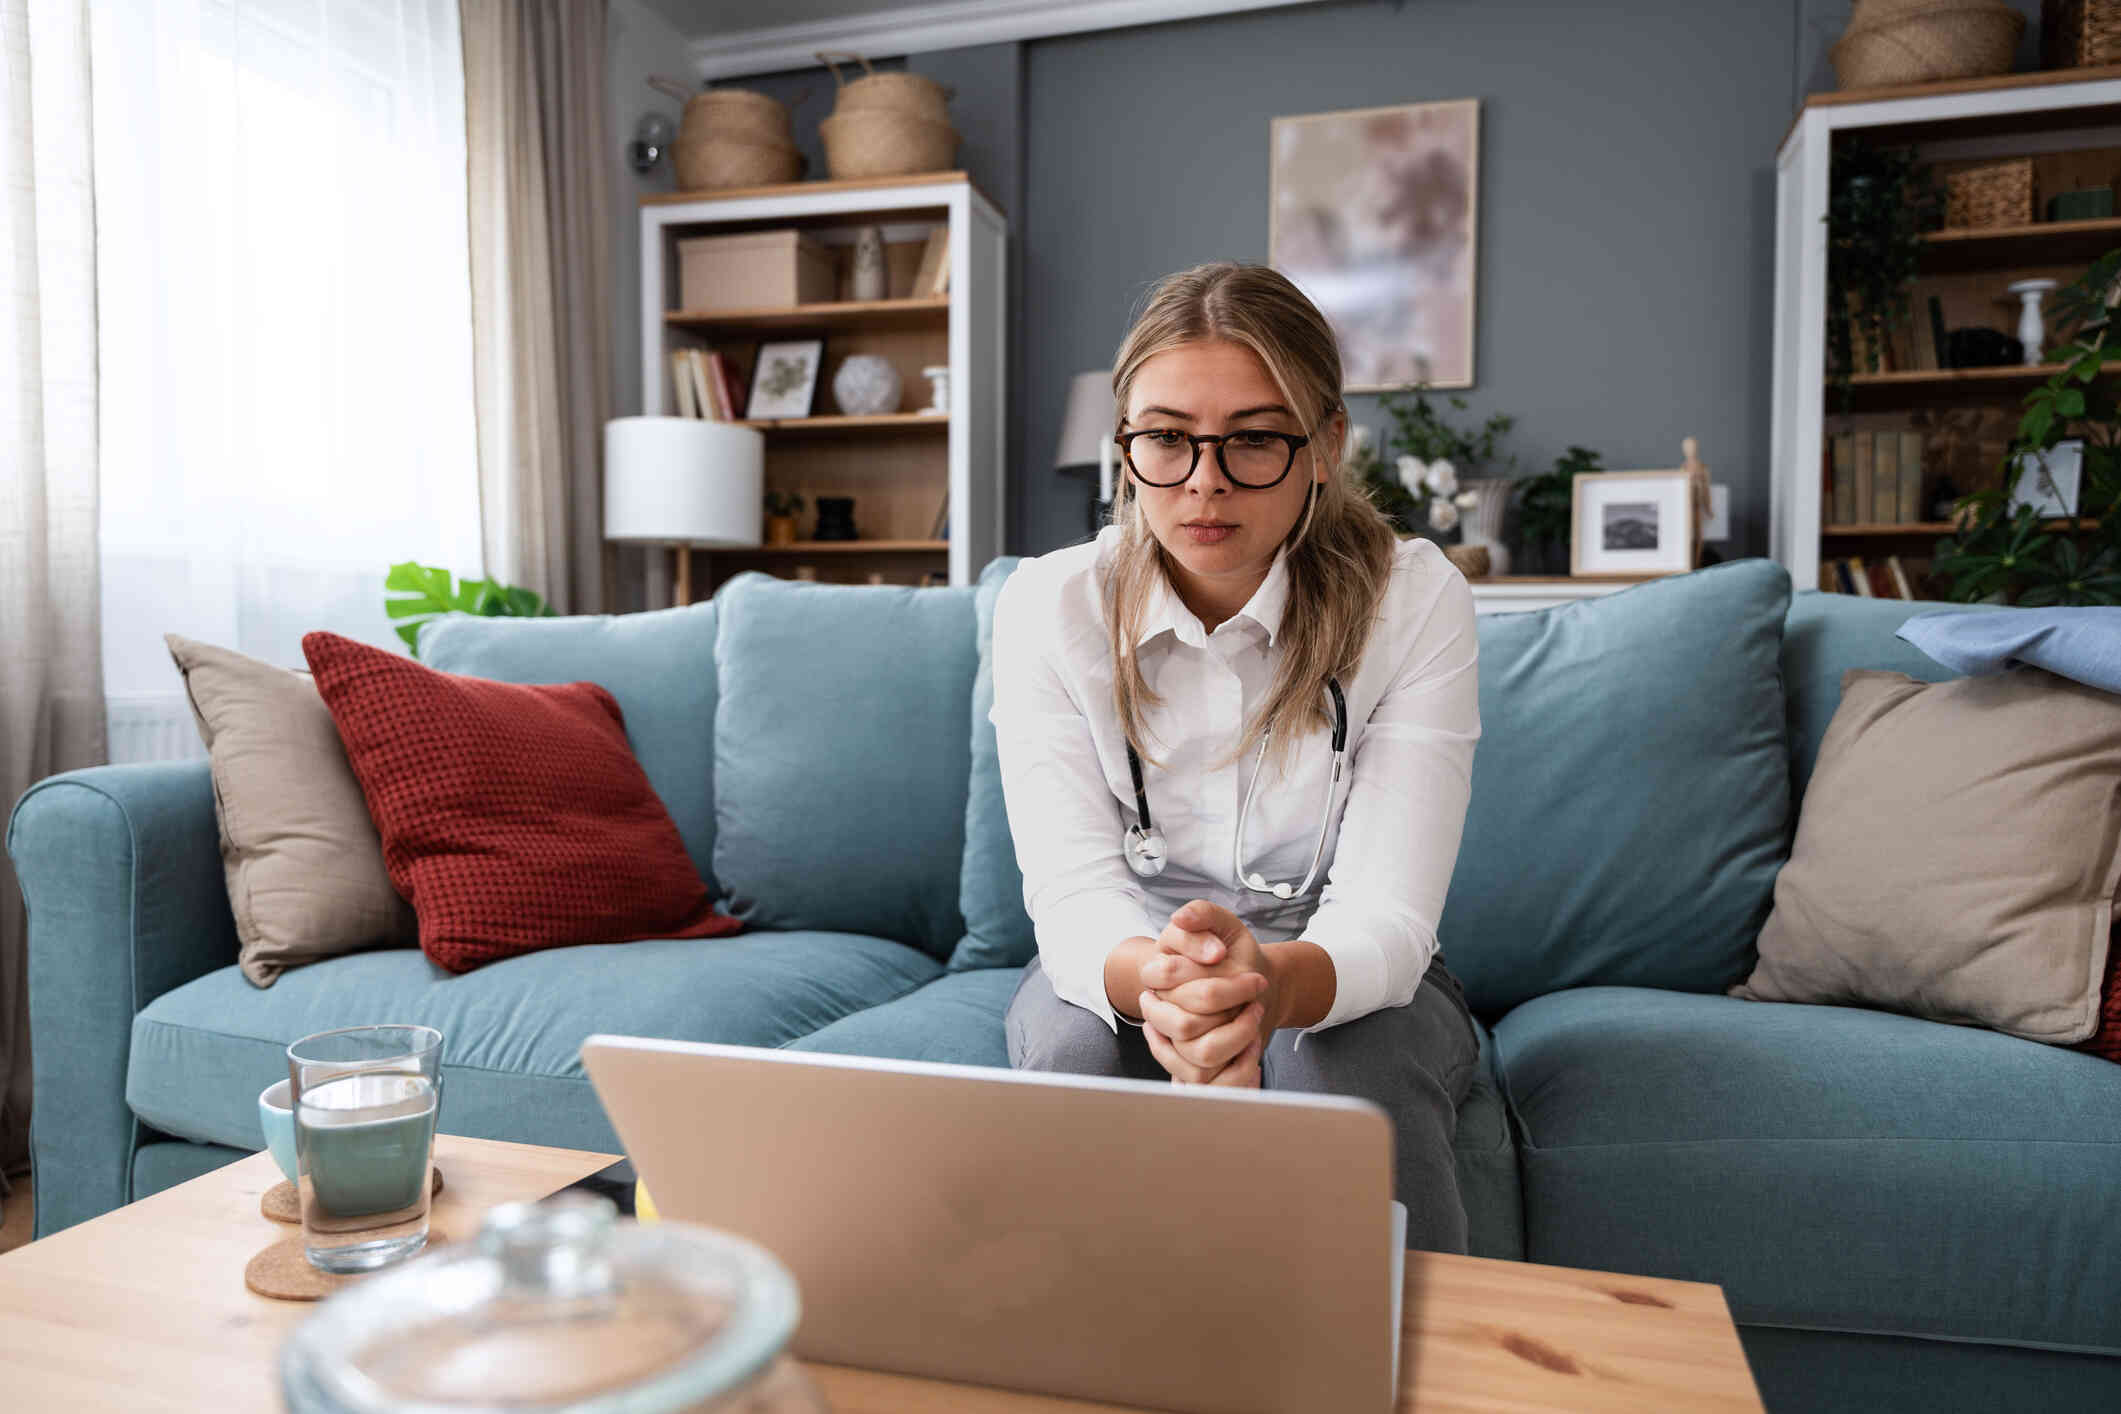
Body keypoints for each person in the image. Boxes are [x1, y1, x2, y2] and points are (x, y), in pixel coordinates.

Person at [990, 261, 1484, 1251]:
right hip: (1133, 942)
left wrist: (1270, 991)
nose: (1205, 480)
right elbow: (1075, 895)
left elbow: (1388, 914)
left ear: (1326, 445)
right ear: (1124, 447)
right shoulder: (1048, 607)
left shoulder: (1414, 598)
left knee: (1344, 1081)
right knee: (1071, 1050)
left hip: (1330, 950)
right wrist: (1167, 982)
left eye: (1254, 438)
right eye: (1167, 437)